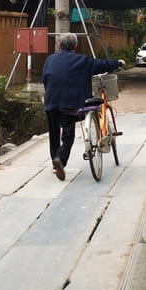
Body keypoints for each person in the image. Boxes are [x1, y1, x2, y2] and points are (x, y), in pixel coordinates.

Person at [42, 32, 125, 181]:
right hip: (70, 103)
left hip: (51, 101)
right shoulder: (82, 60)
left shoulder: (49, 60)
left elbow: (46, 79)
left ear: (58, 46)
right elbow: (100, 64)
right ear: (75, 46)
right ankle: (60, 158)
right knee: (68, 135)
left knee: (53, 134)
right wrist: (118, 62)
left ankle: (56, 161)